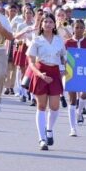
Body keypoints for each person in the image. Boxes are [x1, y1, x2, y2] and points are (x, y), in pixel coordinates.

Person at [27, 13, 67, 150]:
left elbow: (64, 57)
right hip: (41, 72)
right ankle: (42, 139)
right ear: (42, 24)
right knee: (42, 106)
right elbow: (31, 62)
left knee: (55, 106)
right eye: (46, 22)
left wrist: (65, 67)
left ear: (54, 24)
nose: (48, 24)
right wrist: (39, 74)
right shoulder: (37, 40)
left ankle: (49, 130)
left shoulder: (58, 40)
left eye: (51, 22)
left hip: (54, 73)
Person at [64, 19, 86, 136]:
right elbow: (63, 58)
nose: (79, 30)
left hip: (84, 73)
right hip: (71, 72)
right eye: (77, 27)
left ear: (84, 29)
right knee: (72, 100)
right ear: (73, 28)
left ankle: (80, 111)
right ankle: (73, 128)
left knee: (84, 94)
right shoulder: (67, 43)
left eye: (81, 28)